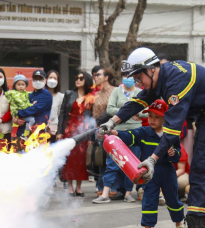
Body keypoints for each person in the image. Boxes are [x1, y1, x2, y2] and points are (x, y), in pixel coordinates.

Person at [100, 47, 205, 228]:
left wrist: (153, 159)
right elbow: (139, 101)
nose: (138, 84)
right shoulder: (161, 77)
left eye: (139, 78)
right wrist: (113, 121)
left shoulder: (176, 81)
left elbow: (171, 131)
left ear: (151, 69)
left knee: (200, 171)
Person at [106, 100, 186, 228]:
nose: (152, 120)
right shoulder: (144, 132)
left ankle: (179, 225)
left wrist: (173, 153)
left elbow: (178, 156)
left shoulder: (171, 134)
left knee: (173, 199)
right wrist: (115, 132)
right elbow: (129, 136)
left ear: (165, 118)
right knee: (149, 200)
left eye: (156, 117)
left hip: (167, 171)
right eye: (150, 116)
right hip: (149, 173)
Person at [92, 74, 145, 203]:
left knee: (132, 163)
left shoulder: (140, 92)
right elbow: (110, 109)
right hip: (117, 131)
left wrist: (136, 112)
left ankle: (128, 192)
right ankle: (105, 193)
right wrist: (127, 111)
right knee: (112, 163)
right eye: (125, 75)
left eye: (131, 75)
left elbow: (147, 111)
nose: (128, 78)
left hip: (135, 132)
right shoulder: (116, 91)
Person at [57, 71, 94, 196]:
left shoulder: (90, 97)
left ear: (86, 81)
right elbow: (62, 113)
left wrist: (90, 137)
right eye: (76, 78)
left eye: (81, 78)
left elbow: (92, 117)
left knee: (80, 160)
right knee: (69, 159)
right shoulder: (69, 94)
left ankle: (79, 187)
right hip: (69, 130)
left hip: (83, 131)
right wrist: (60, 132)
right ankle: (70, 187)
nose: (78, 80)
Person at [92, 68, 118, 197]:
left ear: (106, 77)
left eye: (98, 75)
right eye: (95, 75)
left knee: (113, 159)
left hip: (112, 127)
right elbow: (94, 114)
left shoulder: (115, 90)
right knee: (101, 158)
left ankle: (114, 187)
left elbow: (112, 110)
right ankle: (101, 186)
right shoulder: (97, 93)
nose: (95, 77)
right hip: (99, 128)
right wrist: (96, 128)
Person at [14, 70, 53, 138]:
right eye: (35, 79)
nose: (38, 81)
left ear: (45, 80)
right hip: (22, 132)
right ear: (32, 80)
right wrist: (17, 119)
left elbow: (34, 109)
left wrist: (19, 113)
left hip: (37, 134)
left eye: (40, 79)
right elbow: (19, 107)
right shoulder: (29, 95)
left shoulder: (47, 95)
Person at [6, 74, 34, 141]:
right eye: (19, 85)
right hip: (18, 113)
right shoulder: (14, 94)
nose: (21, 86)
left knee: (28, 121)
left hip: (23, 114)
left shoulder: (26, 94)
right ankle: (26, 134)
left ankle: (26, 134)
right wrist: (32, 105)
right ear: (15, 85)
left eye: (23, 84)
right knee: (31, 120)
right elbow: (22, 105)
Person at [46, 70, 64, 143]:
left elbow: (61, 115)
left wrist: (59, 131)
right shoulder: (40, 95)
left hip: (54, 132)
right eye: (50, 78)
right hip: (41, 130)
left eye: (55, 78)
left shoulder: (61, 96)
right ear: (46, 79)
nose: (52, 80)